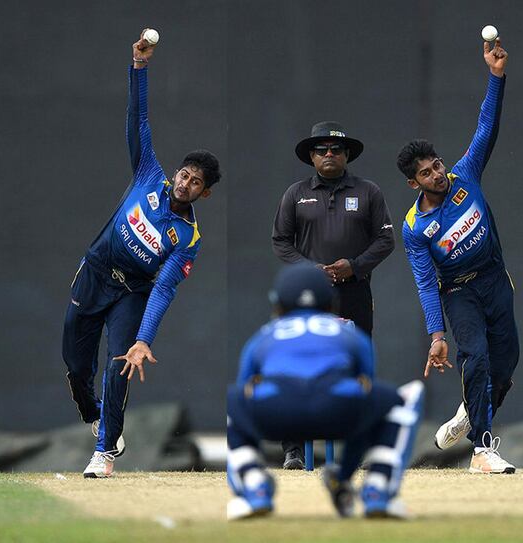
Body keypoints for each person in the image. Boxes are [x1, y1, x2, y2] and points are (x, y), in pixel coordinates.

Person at [61, 31, 222, 478]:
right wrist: (139, 67)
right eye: (184, 174)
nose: (185, 183)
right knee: (76, 366)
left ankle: (104, 450)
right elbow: (138, 121)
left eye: (195, 183)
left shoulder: (187, 237)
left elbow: (164, 289)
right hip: (95, 272)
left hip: (132, 292)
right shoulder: (150, 174)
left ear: (204, 194)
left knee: (119, 364)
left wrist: (143, 340)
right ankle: (93, 412)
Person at [398, 38, 518, 474]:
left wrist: (496, 76)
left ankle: (469, 414)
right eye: (427, 173)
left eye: (437, 165)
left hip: (494, 279)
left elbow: (486, 128)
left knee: (505, 367)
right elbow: (425, 282)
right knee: (478, 358)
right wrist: (436, 336)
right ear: (415, 184)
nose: (438, 174)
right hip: (459, 293)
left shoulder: (465, 175)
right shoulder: (415, 227)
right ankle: (482, 451)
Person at [226, 263, 424, 520]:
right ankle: (378, 489)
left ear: (278, 305)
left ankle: (253, 484)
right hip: (338, 410)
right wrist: (344, 473)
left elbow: (245, 389)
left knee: (233, 400)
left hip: (277, 414)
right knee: (405, 397)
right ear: (331, 303)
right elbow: (366, 391)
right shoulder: (350, 333)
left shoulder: (263, 336)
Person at [272, 121, 395, 469]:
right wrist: (309, 269)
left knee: (356, 366)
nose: (329, 155)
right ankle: (294, 449)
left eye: (336, 150)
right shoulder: (295, 193)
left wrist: (354, 266)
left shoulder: (368, 191)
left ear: (347, 155)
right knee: (298, 365)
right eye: (322, 150)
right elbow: (280, 240)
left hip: (354, 291)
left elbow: (386, 240)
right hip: (308, 295)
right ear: (312, 156)